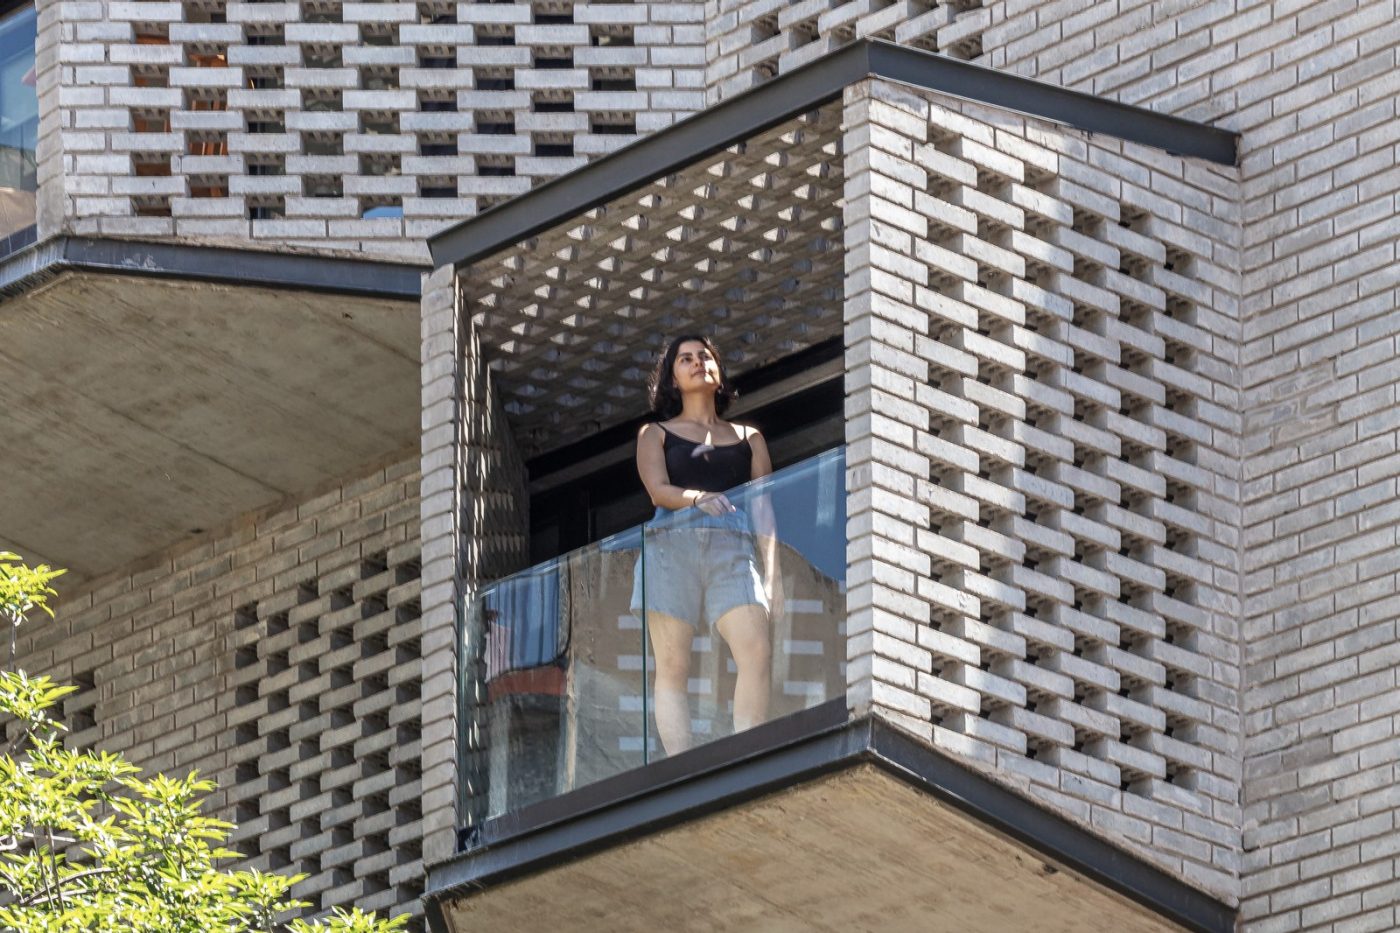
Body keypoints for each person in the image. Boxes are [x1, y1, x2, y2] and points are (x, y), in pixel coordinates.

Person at [632, 334, 783, 756]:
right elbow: (658, 491)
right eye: (685, 359)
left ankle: (747, 753)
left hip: (731, 547)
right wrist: (697, 498)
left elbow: (764, 510)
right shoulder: (655, 433)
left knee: (755, 648)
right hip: (670, 543)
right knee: (673, 664)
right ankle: (681, 765)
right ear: (673, 379)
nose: (698, 362)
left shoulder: (749, 436)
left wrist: (774, 577)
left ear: (718, 372)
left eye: (705, 356)